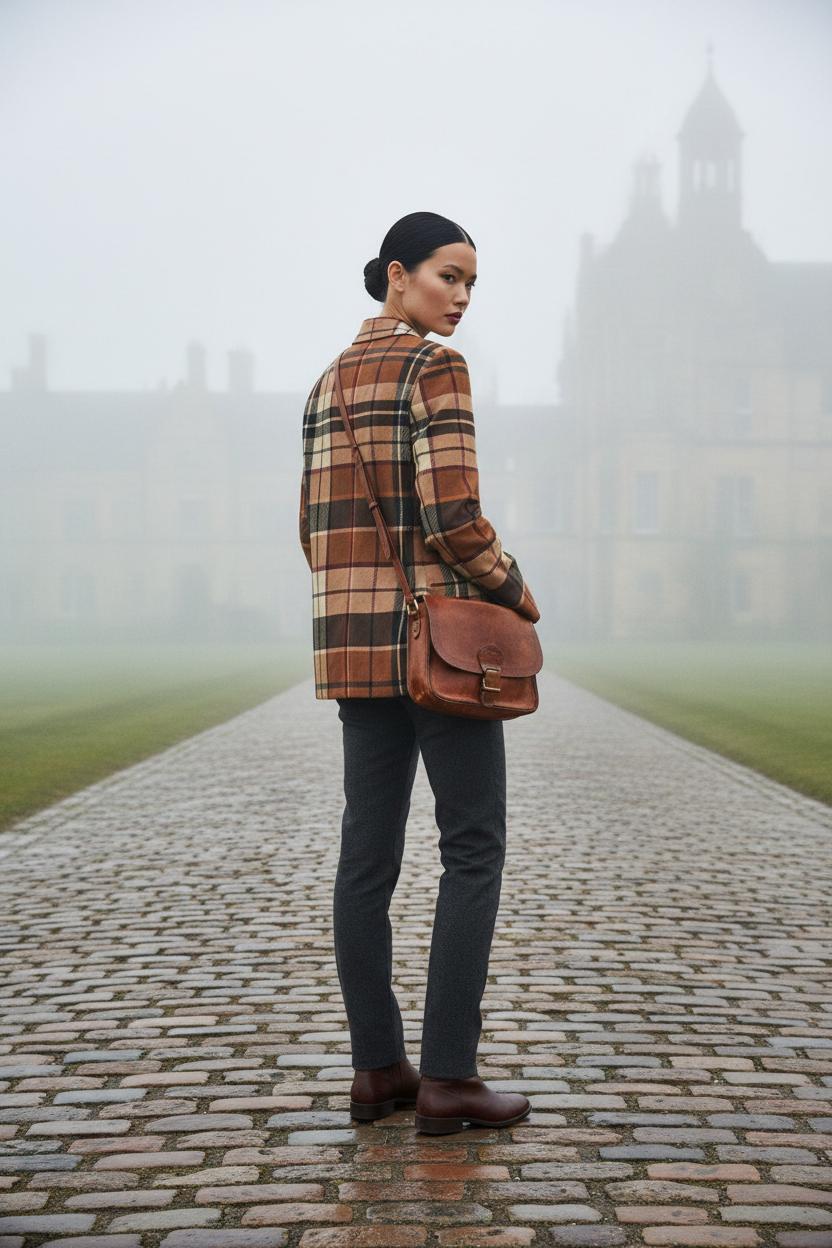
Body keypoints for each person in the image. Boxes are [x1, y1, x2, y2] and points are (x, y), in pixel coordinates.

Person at [298, 211, 540, 1135]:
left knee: (367, 860)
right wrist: (517, 594)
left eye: (473, 284)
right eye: (451, 276)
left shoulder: (325, 384)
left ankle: (377, 1071)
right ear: (398, 274)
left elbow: (311, 533)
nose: (463, 298)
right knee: (472, 848)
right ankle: (448, 1078)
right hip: (442, 647)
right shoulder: (435, 367)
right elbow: (455, 518)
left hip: (355, 651)